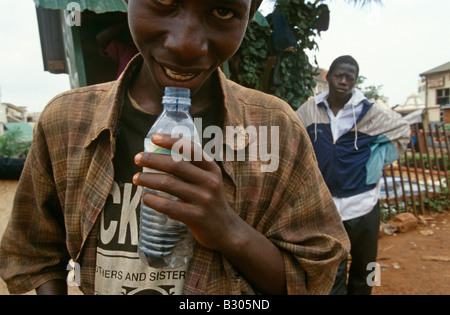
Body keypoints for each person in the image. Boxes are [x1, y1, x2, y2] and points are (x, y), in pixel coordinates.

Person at [0, 0, 349, 295]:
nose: (186, 43)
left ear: (252, 9)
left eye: (224, 11)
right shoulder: (65, 121)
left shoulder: (276, 129)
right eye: (164, 1)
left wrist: (229, 231)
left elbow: (314, 275)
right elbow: (35, 252)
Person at [296, 55, 411, 295]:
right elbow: (293, 137)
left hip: (364, 205)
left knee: (368, 266)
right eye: (339, 75)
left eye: (350, 78)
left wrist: (376, 161)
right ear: (328, 77)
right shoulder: (309, 109)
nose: (344, 81)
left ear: (355, 81)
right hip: (326, 208)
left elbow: (403, 129)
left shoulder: (370, 111)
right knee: (332, 267)